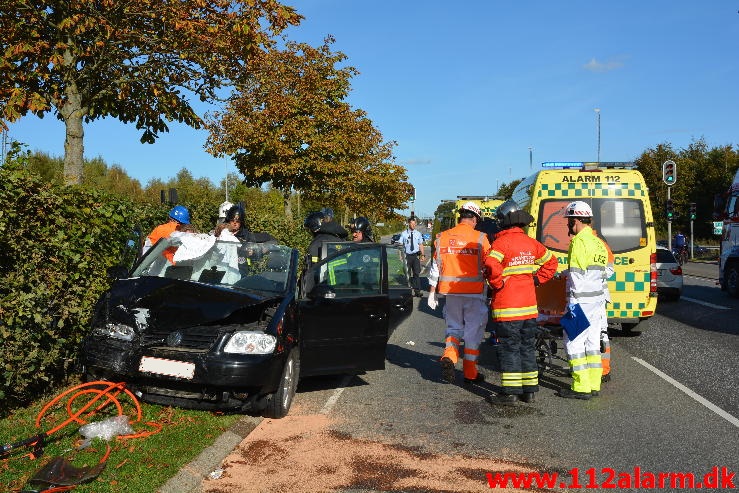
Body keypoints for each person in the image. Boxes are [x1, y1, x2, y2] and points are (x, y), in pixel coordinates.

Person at [484, 200, 558, 404]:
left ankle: (510, 393)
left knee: (509, 348)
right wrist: (536, 279)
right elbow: (551, 262)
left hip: (508, 308)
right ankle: (530, 391)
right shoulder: (531, 243)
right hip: (529, 309)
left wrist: (497, 284)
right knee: (526, 347)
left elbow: (491, 264)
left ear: (502, 222)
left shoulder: (501, 243)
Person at [427, 202, 491, 385]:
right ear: (475, 218)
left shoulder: (442, 237)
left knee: (454, 328)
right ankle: (470, 373)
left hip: (451, 293)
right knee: (473, 332)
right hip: (475, 294)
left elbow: (435, 268)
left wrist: (432, 292)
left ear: (460, 216)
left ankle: (450, 356)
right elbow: (490, 265)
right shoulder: (480, 238)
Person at [557, 200, 609, 400]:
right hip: (596, 301)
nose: (568, 225)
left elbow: (578, 276)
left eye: (569, 221)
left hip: (580, 301)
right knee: (592, 343)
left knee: (573, 342)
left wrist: (572, 302)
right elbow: (593, 272)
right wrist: (565, 273)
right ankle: (593, 384)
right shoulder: (598, 242)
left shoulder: (578, 242)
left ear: (576, 220)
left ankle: (580, 386)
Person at [592, 228, 615, 383]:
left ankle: (603, 370)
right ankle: (599, 369)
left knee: (599, 333)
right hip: (593, 296)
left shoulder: (598, 244)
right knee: (598, 333)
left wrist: (591, 275)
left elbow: (610, 269)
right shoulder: (598, 243)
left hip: (596, 296)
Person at [399, 216, 425, 297]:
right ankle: (408, 291)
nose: (414, 225)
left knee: (416, 273)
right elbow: (400, 245)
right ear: (408, 224)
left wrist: (422, 255)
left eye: (415, 224)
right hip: (407, 256)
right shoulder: (404, 234)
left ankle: (417, 291)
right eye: (412, 224)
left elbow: (420, 244)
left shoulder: (418, 234)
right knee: (407, 274)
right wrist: (400, 256)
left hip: (415, 256)